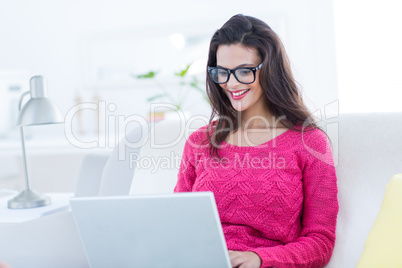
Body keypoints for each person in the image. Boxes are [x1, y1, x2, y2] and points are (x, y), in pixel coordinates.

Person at [174, 14, 338, 268]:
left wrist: (260, 258)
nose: (231, 83)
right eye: (222, 72)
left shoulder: (309, 143)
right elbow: (176, 223)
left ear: (269, 68)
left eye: (244, 71)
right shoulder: (200, 142)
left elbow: (320, 241)